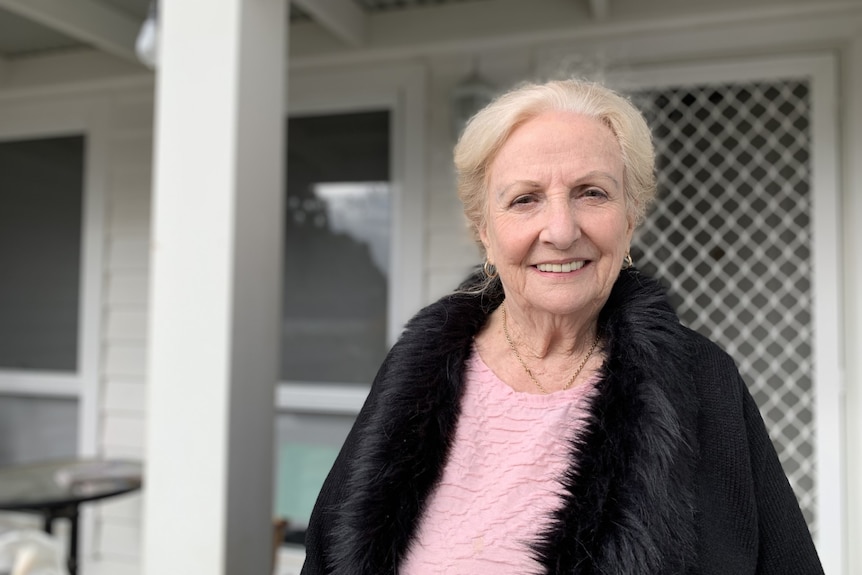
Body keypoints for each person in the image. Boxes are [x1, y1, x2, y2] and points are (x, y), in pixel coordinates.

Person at [301, 79, 823, 574]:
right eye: (525, 199)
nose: (561, 230)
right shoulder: (416, 370)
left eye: (591, 193)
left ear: (631, 217)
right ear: (484, 229)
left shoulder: (704, 381)